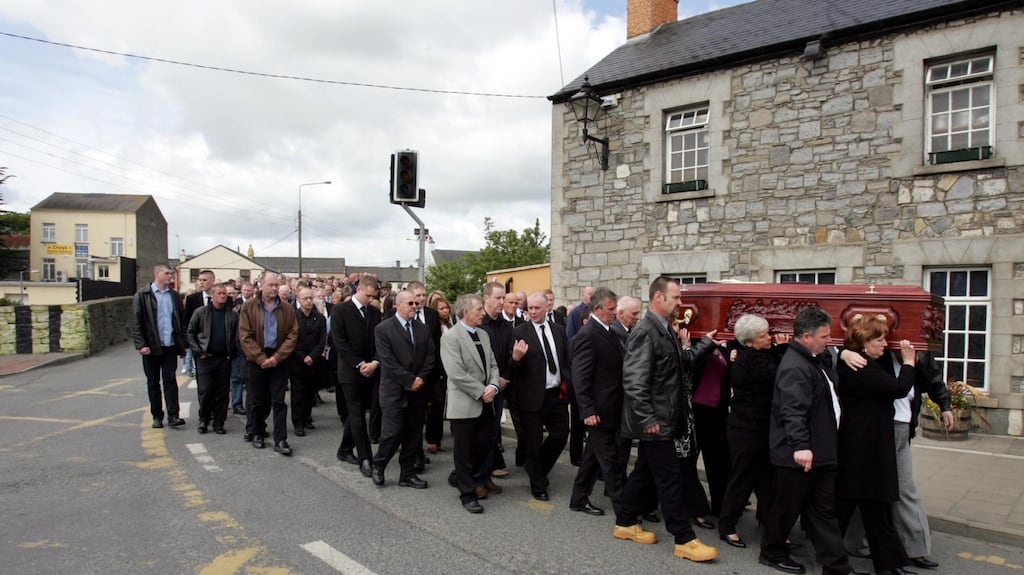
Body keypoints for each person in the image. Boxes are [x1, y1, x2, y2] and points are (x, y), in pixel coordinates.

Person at [613, 277, 720, 563]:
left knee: (644, 473)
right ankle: (684, 539)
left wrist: (707, 343)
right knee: (670, 478)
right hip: (656, 420)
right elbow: (634, 381)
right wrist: (647, 418)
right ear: (658, 298)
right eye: (675, 298)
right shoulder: (645, 331)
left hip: (665, 418)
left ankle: (624, 521)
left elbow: (681, 365)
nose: (680, 303)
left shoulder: (665, 330)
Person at [759, 306, 856, 575]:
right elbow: (793, 410)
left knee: (823, 511)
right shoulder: (795, 366)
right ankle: (771, 551)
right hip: (799, 454)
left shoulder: (813, 358)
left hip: (820, 451)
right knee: (787, 508)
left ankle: (836, 566)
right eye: (824, 336)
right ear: (805, 336)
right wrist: (801, 447)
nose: (829, 341)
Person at [836, 316, 918, 575]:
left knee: (875, 508)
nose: (885, 344)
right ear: (864, 343)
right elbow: (898, 388)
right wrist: (908, 362)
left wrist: (844, 352)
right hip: (861, 447)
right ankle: (834, 561)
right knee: (847, 508)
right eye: (880, 339)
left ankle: (889, 564)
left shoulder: (864, 360)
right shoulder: (860, 366)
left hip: (869, 444)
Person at [718, 314, 789, 548]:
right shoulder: (752, 361)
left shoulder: (752, 355)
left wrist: (776, 348)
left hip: (756, 428)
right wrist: (784, 347)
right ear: (749, 342)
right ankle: (727, 525)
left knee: (767, 483)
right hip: (747, 430)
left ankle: (772, 527)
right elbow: (779, 374)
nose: (769, 338)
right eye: (763, 336)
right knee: (742, 480)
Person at [441, 294, 502, 513]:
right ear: (466, 312)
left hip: (486, 401)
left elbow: (493, 365)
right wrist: (481, 391)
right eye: (479, 310)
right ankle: (467, 494)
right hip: (465, 404)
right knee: (464, 451)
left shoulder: (483, 335)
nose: (483, 313)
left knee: (484, 446)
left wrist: (493, 387)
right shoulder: (451, 337)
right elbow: (456, 373)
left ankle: (461, 476)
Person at [510, 291, 571, 501]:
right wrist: (516, 359)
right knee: (533, 442)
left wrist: (568, 382)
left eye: (537, 308)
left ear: (547, 308)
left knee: (561, 434)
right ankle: (538, 485)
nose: (533, 312)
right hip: (531, 396)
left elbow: (566, 359)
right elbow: (510, 369)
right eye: (530, 308)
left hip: (556, 394)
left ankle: (537, 469)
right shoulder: (519, 332)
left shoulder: (559, 330)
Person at [568, 287, 624, 517]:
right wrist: (587, 409)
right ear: (598, 309)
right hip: (598, 411)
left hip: (611, 406)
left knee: (593, 457)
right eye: (611, 309)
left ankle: (578, 499)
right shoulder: (587, 335)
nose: (615, 313)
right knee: (610, 461)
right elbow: (580, 378)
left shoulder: (610, 332)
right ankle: (625, 513)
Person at [371, 290, 435, 488]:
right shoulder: (383, 329)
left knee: (414, 435)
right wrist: (409, 380)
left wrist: (421, 379)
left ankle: (407, 474)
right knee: (392, 433)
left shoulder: (422, 329)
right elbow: (388, 362)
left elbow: (430, 356)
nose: (415, 307)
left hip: (418, 391)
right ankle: (379, 465)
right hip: (394, 391)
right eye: (410, 303)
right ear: (397, 305)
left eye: (416, 303)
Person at [238, 272, 298, 456]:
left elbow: (292, 334)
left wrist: (277, 357)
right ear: (261, 286)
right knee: (257, 399)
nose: (274, 288)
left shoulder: (287, 308)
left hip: (279, 359)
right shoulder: (249, 307)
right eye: (271, 285)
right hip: (257, 358)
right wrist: (261, 358)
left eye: (276, 285)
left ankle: (281, 439)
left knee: (279, 401)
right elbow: (245, 336)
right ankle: (257, 432)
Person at [331, 276, 381, 476]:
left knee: (359, 413)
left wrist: (374, 363)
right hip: (350, 371)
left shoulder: (375, 313)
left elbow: (380, 340)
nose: (370, 299)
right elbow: (339, 342)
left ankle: (344, 449)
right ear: (358, 289)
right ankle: (365, 457)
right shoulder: (340, 311)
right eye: (367, 295)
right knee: (357, 414)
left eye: (373, 296)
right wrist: (359, 364)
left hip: (371, 369)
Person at [132, 264, 188, 429]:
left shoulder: (174, 296)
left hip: (169, 345)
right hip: (151, 346)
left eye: (171, 273)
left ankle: (173, 416)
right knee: (153, 382)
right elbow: (136, 322)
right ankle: (157, 416)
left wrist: (182, 344)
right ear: (157, 274)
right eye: (167, 273)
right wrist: (141, 344)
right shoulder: (143, 295)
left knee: (170, 380)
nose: (170, 276)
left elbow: (180, 320)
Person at [186, 282, 238, 435]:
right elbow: (190, 333)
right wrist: (198, 351)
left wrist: (233, 352)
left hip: (224, 358)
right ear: (212, 295)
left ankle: (219, 422)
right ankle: (204, 419)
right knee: (206, 390)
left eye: (224, 294)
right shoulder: (200, 312)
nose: (223, 296)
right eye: (219, 294)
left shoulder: (232, 314)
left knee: (222, 392)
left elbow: (236, 336)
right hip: (205, 358)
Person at [478, 283, 514, 488]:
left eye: (504, 298)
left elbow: (510, 355)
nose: (502, 303)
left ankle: (487, 473)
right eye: (498, 298)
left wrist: (504, 378)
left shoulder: (506, 326)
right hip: (481, 388)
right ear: (486, 298)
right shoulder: (478, 323)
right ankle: (476, 477)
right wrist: (492, 380)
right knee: (480, 433)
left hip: (500, 386)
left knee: (493, 432)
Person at [290, 288, 326, 437]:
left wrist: (313, 356)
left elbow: (321, 340)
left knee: (310, 391)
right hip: (297, 360)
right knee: (298, 392)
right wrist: (302, 356)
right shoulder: (293, 317)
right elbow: (292, 339)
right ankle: (298, 422)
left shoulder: (320, 318)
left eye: (311, 298)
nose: (309, 301)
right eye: (305, 298)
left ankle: (306, 418)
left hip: (314, 360)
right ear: (298, 300)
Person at [182, 270, 215, 377]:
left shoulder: (222, 297)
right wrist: (189, 342)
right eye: (200, 280)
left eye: (204, 280)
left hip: (217, 343)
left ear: (212, 281)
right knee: (201, 374)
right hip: (199, 343)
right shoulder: (192, 299)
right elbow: (187, 321)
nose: (201, 283)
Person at [229, 281, 254, 415]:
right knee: (236, 377)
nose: (246, 292)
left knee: (246, 379)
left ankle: (247, 405)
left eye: (249, 290)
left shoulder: (256, 304)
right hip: (236, 345)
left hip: (250, 346)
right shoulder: (235, 304)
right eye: (244, 290)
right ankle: (236, 403)